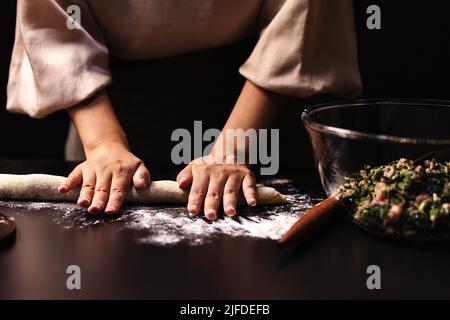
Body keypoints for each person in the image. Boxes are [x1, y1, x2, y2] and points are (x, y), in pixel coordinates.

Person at [6, 0, 361, 220]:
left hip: (255, 121)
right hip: (106, 120)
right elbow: (56, 27)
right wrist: (103, 146)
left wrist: (230, 150)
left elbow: (302, 18)